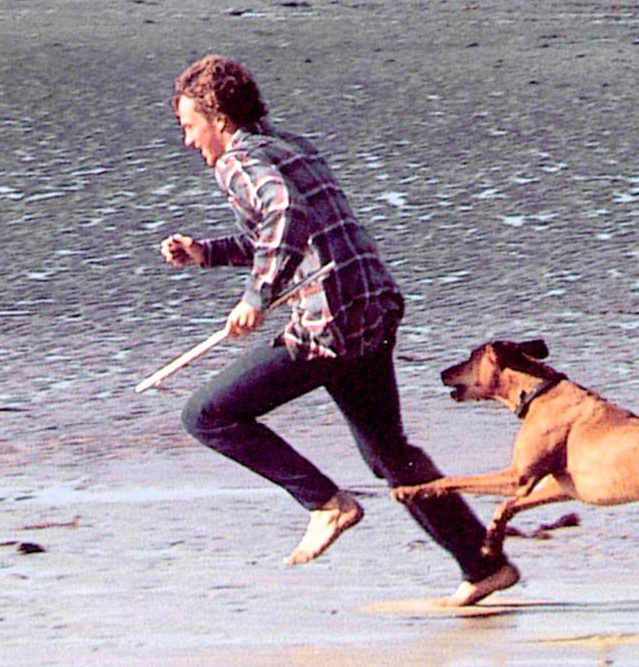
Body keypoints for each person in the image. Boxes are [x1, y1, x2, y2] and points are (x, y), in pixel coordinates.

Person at [160, 55, 518, 605]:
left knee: (207, 415)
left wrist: (257, 296)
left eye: (190, 126)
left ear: (219, 119)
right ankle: (483, 564)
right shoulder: (289, 144)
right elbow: (285, 233)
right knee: (389, 453)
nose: (188, 141)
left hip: (332, 321)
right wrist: (205, 253)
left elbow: (285, 216)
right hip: (371, 306)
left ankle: (326, 504)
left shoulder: (237, 160)